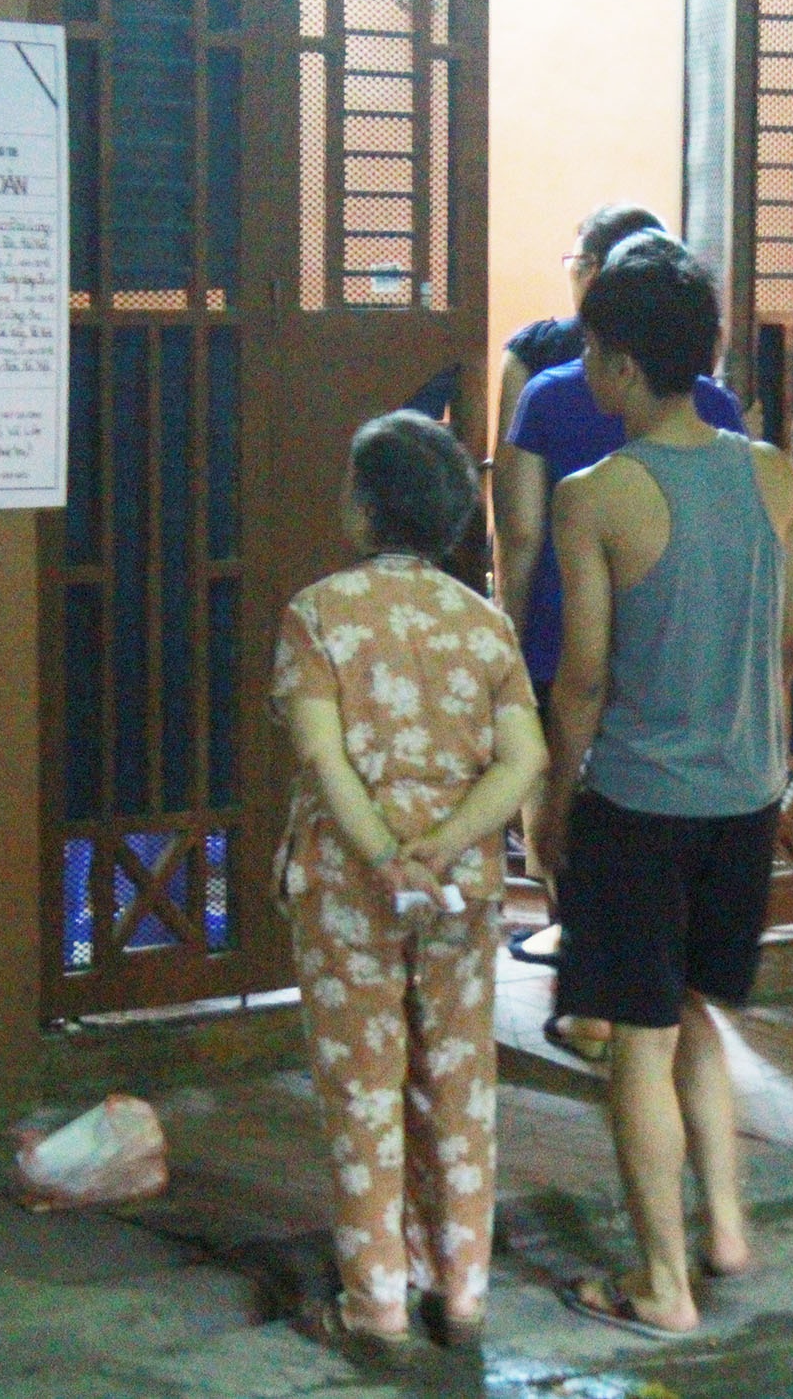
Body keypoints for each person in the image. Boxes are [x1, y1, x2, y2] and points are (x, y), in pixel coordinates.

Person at [531, 236, 793, 1338]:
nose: (587, 367)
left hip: (641, 803)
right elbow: (790, 642)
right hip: (748, 796)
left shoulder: (597, 496)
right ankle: (726, 1229)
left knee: (637, 1042)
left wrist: (553, 804)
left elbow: (584, 679)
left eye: (593, 349)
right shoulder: (771, 472)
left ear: (623, 365)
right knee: (697, 1012)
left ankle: (662, 1285)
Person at [271, 411, 548, 1358]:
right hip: (460, 890)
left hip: (348, 887)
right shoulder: (484, 622)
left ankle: (376, 1303)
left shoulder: (319, 613)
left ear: (363, 507)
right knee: (458, 1084)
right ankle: (461, 1294)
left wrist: (386, 849)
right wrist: (443, 846)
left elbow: (323, 756)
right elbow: (524, 758)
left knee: (364, 1087)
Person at [492, 208, 746, 1061]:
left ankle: (595, 993)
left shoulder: (547, 393)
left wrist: (509, 632)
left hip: (566, 633)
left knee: (576, 804)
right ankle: (648, 990)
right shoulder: (723, 411)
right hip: (680, 649)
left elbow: (519, 532)